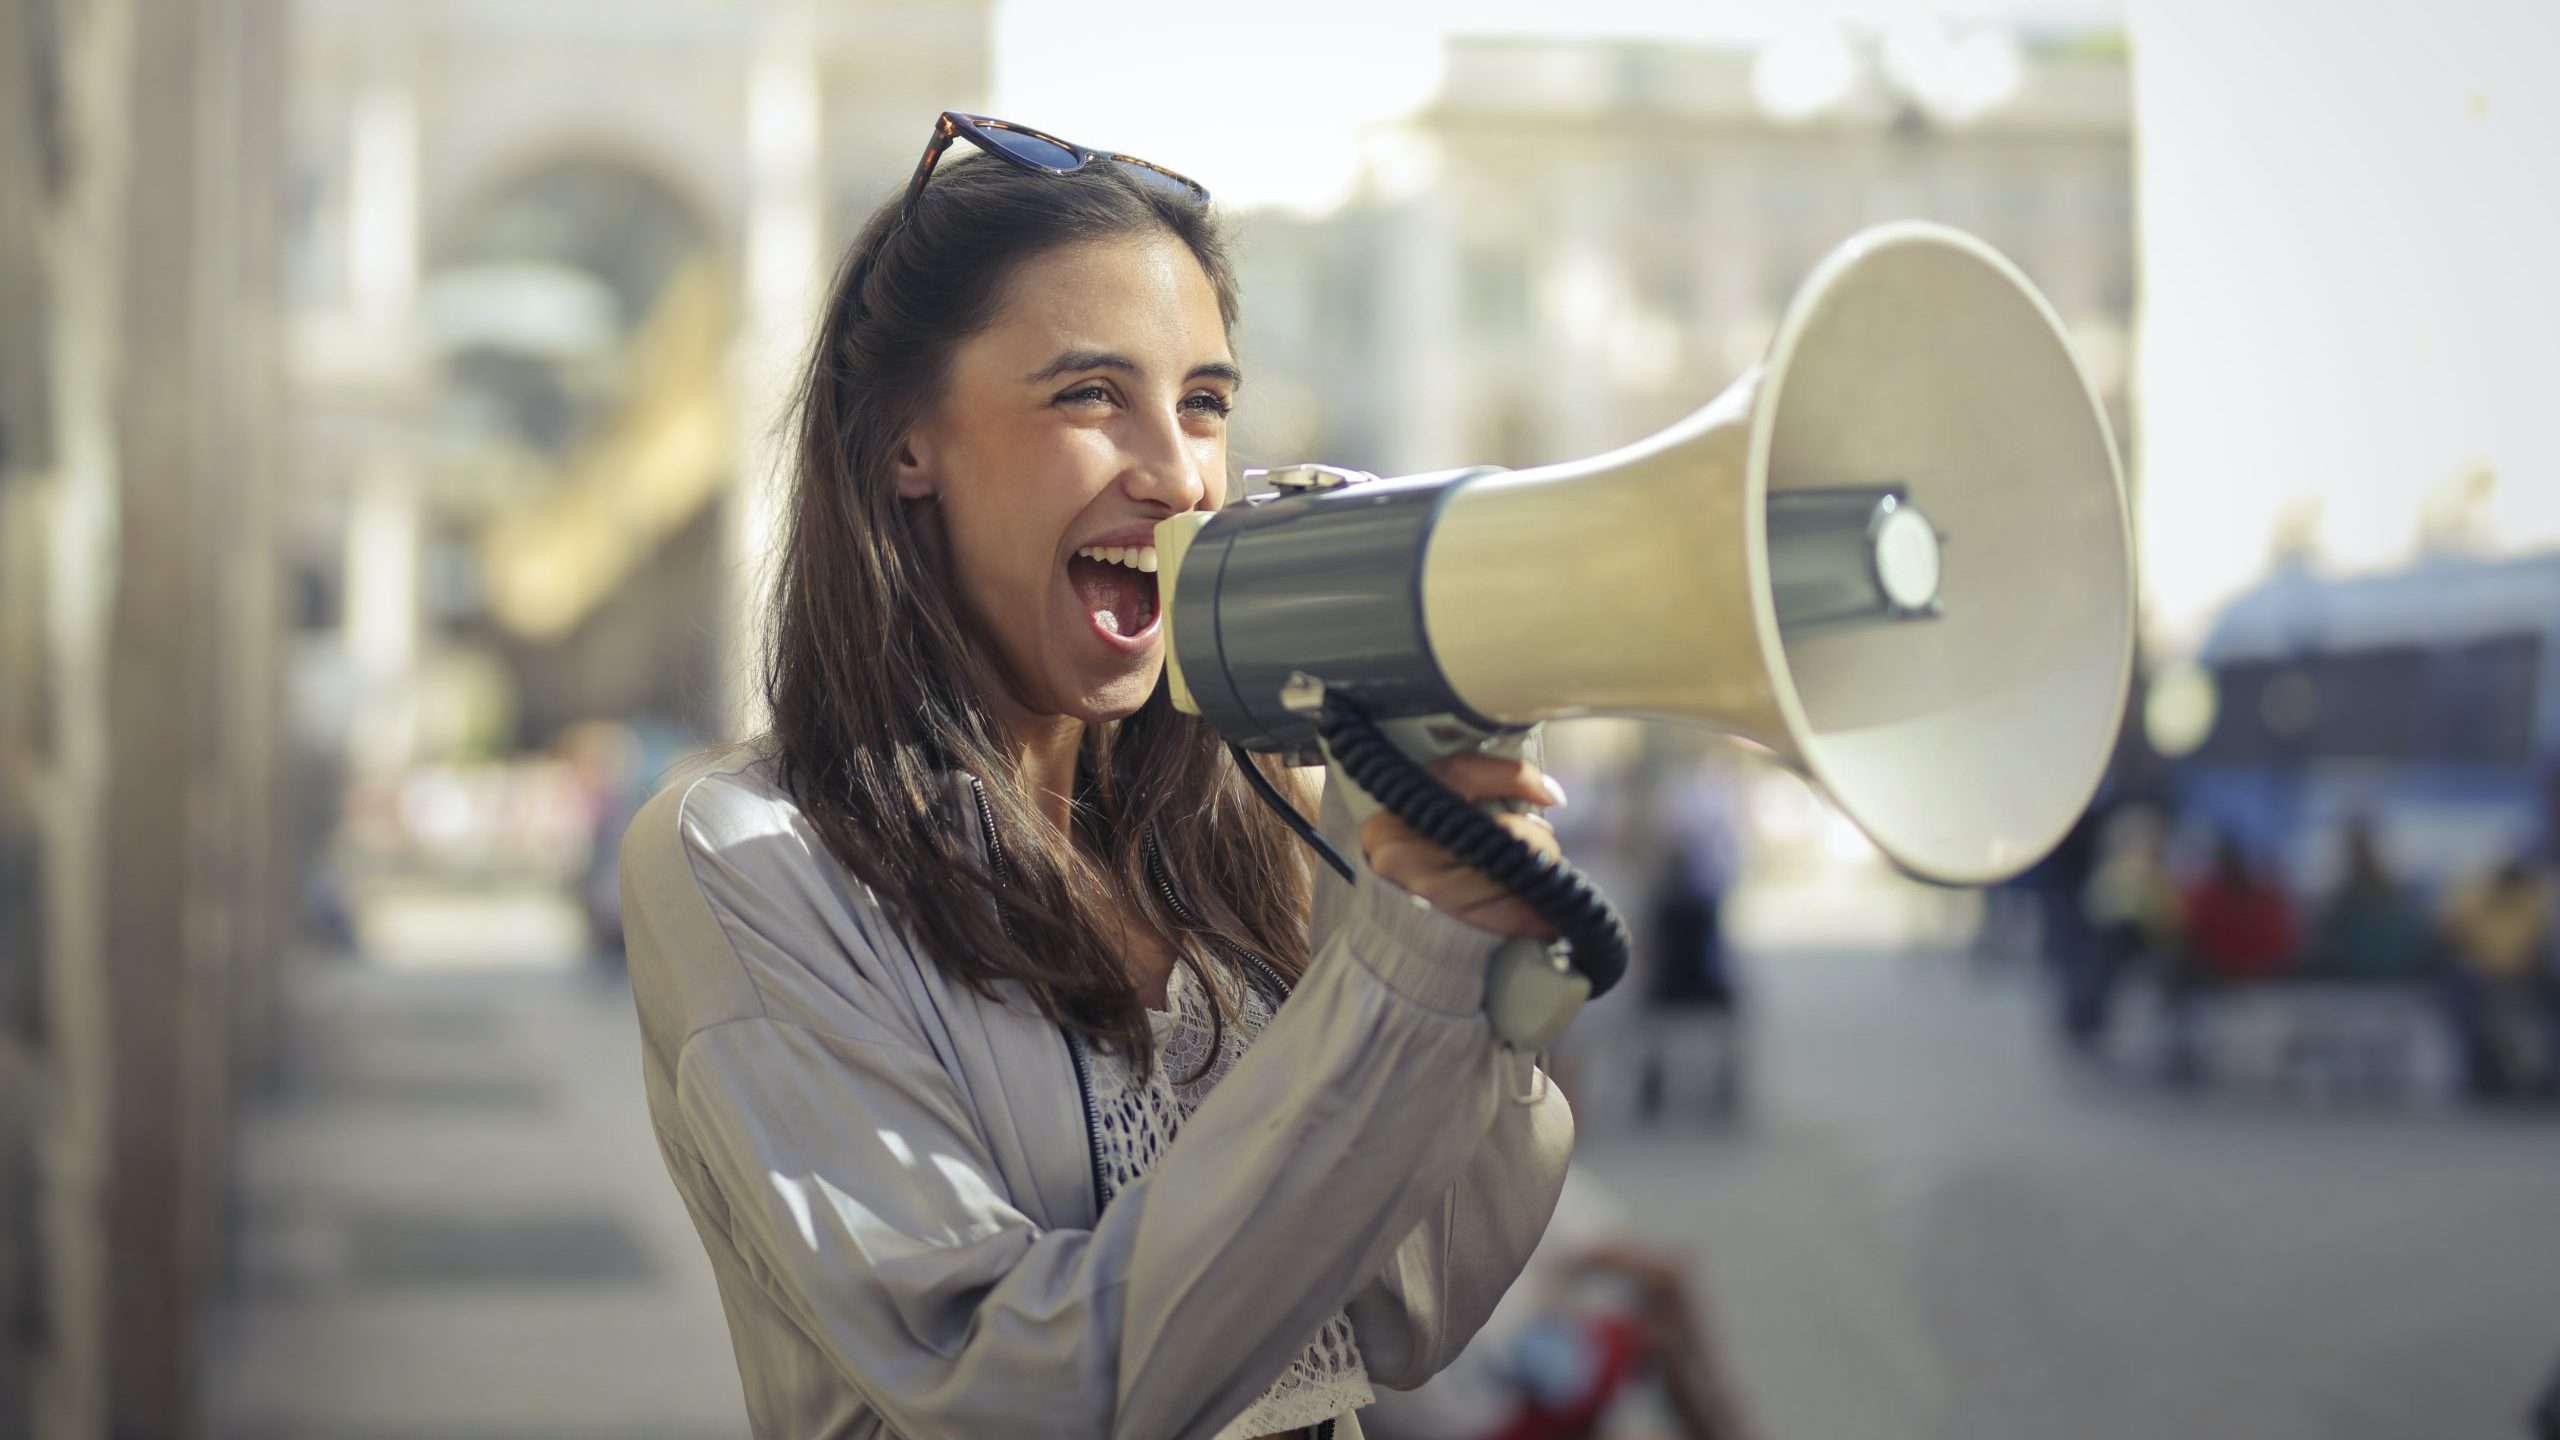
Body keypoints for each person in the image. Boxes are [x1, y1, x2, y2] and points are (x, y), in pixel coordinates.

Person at [616, 113, 1575, 1439]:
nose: (1179, 473)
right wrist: (1390, 991)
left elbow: (1410, 1308)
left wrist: (1460, 956)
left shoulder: (1267, 826)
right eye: (1089, 395)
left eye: (1203, 404)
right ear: (907, 442)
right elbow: (1012, 1389)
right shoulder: (742, 858)